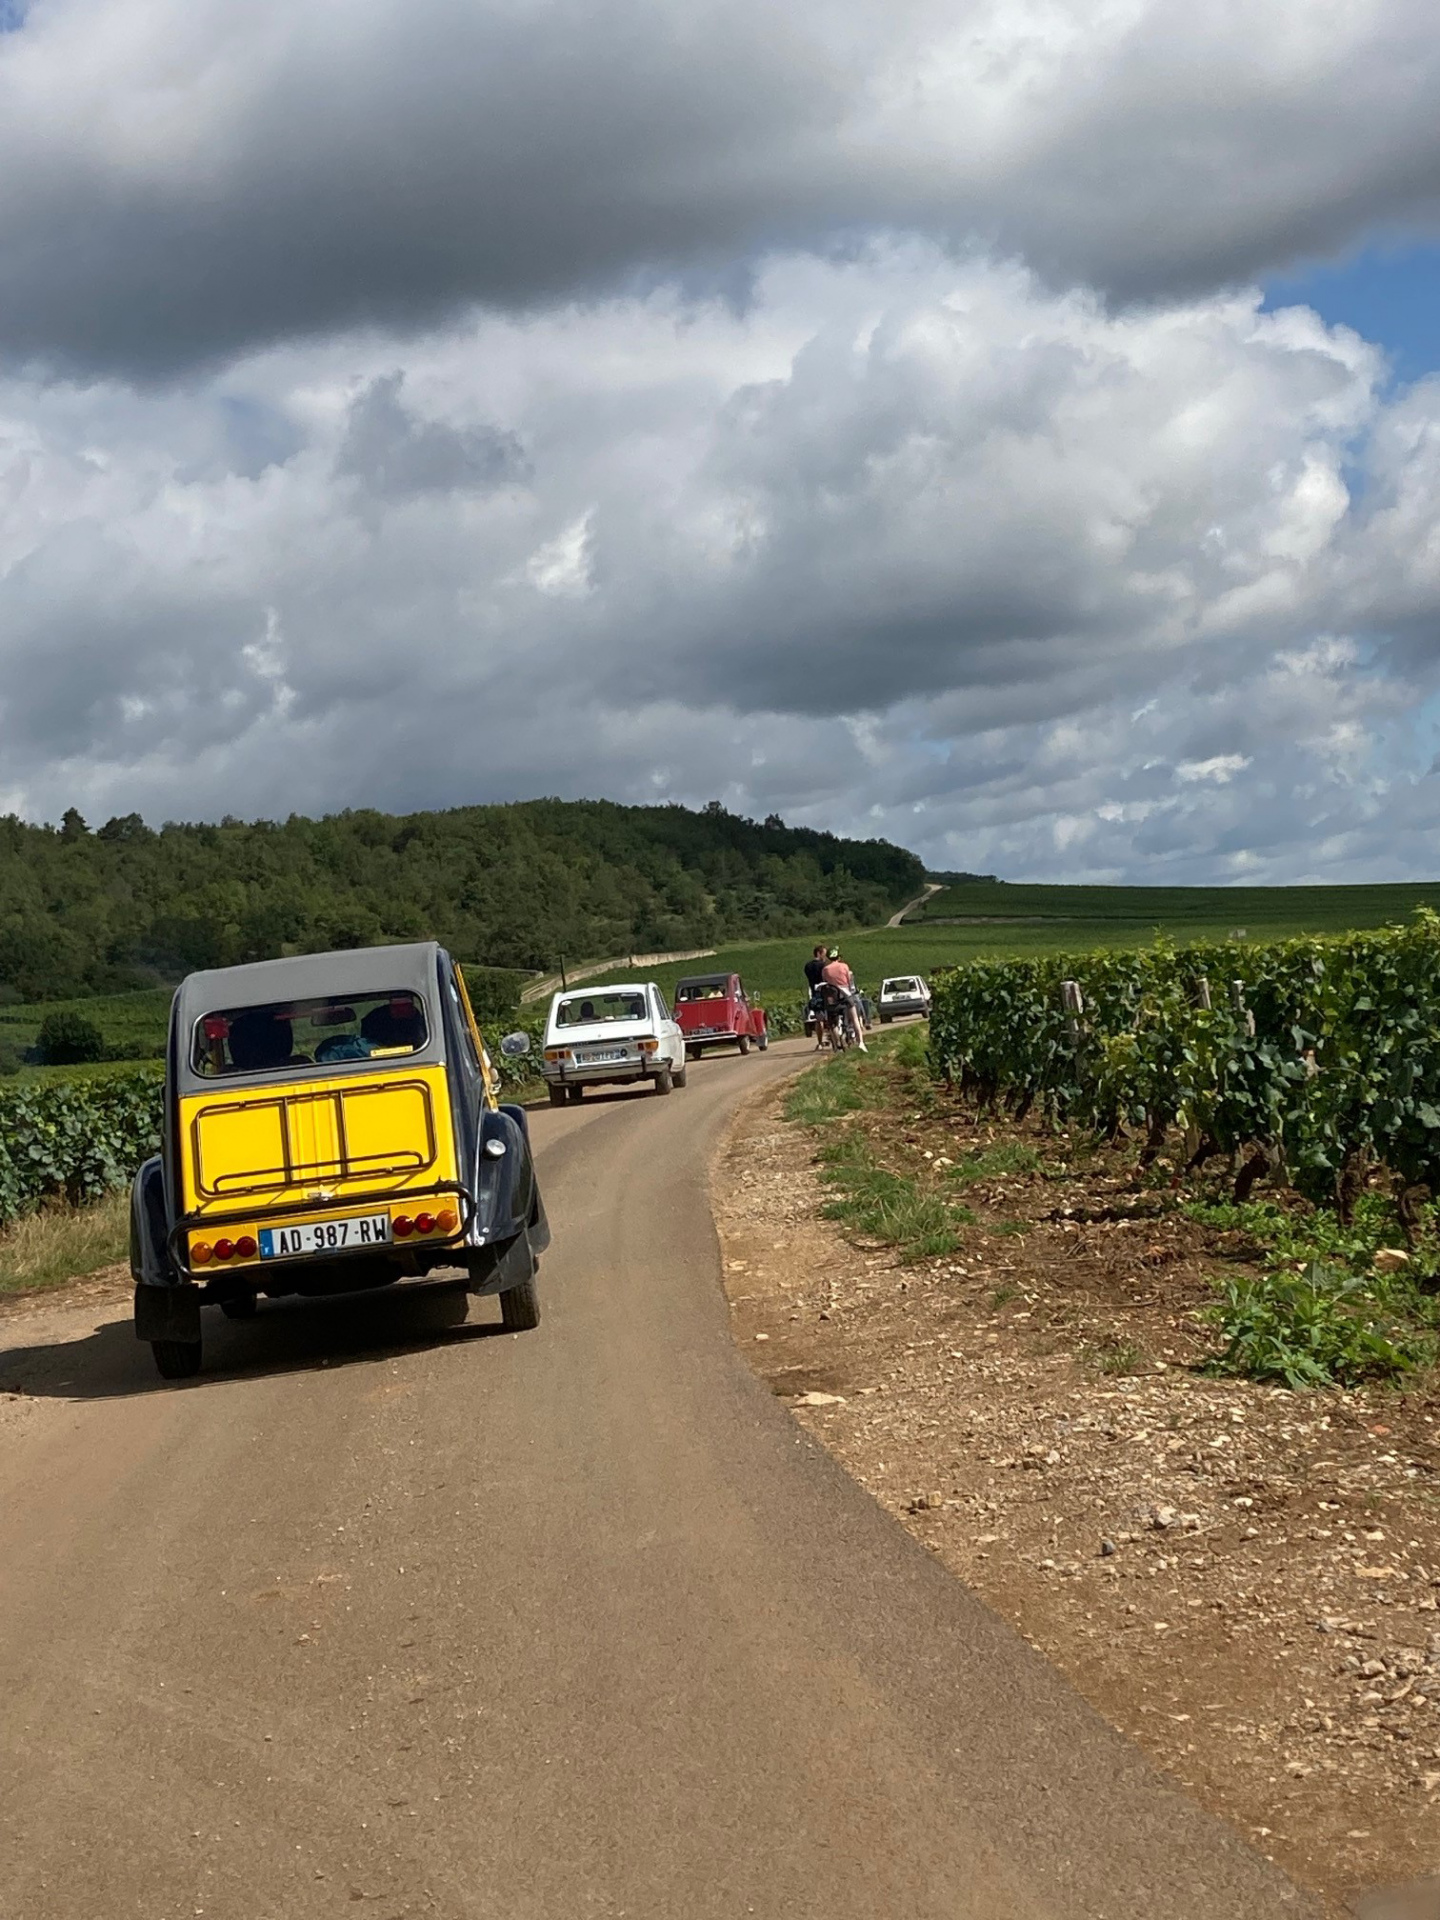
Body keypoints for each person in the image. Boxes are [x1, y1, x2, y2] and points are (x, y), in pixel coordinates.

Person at [821, 947, 867, 1051]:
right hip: (845, 995)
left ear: (828, 957)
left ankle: (837, 1043)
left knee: (832, 1021)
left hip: (832, 997)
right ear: (838, 956)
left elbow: (825, 981)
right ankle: (861, 1042)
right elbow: (848, 981)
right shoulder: (844, 966)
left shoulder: (825, 969)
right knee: (855, 1018)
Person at [803, 944, 828, 1049]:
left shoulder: (807, 966)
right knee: (831, 1017)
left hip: (815, 995)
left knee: (819, 1020)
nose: (825, 957)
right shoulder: (824, 966)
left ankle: (820, 1042)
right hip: (826, 994)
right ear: (819, 953)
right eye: (824, 954)